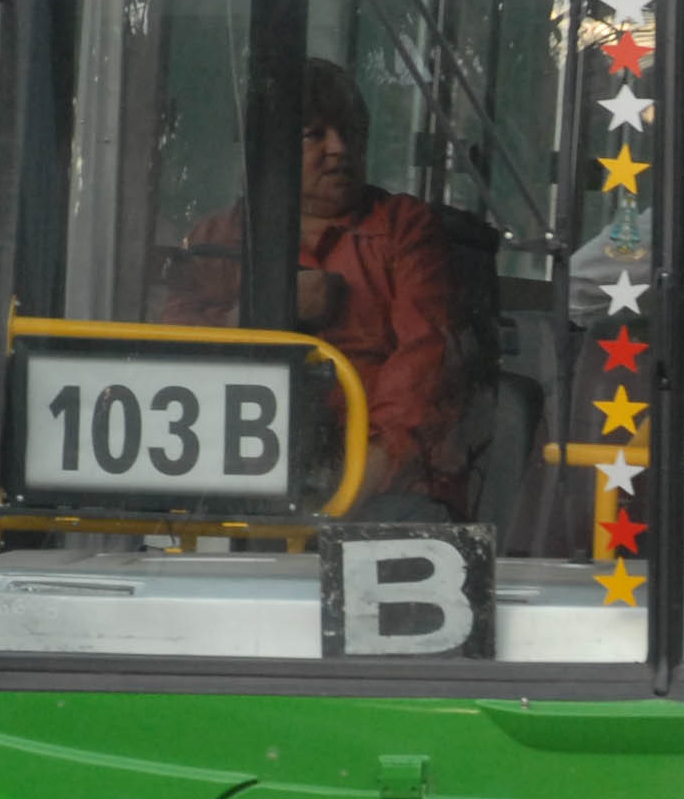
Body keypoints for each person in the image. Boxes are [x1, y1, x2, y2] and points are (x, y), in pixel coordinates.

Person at [160, 58, 469, 515]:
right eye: (314, 134)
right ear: (265, 148)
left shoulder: (406, 228)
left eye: (350, 132)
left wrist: (361, 480)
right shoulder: (215, 239)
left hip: (379, 482)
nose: (340, 149)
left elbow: (424, 363)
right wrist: (272, 310)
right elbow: (171, 350)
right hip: (232, 471)